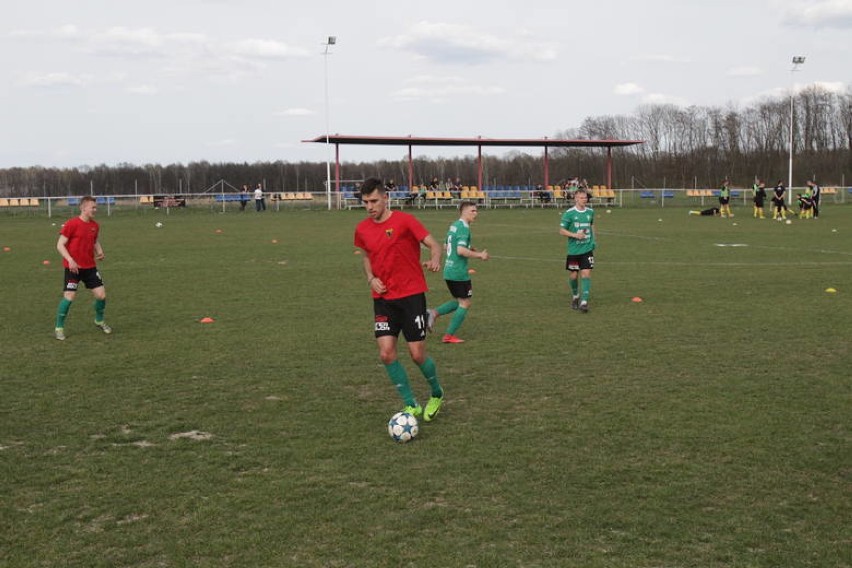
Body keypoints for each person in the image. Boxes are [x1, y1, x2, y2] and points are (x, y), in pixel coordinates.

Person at [353, 177, 445, 422]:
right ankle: (411, 404)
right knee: (386, 354)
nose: (370, 206)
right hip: (382, 298)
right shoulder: (362, 229)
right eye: (365, 202)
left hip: (411, 295)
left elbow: (434, 244)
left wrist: (435, 258)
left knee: (416, 354)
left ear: (385, 198)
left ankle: (437, 393)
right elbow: (366, 256)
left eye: (374, 201)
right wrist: (371, 278)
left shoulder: (405, 221)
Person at [428, 201, 489, 344]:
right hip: (458, 272)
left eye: (476, 211)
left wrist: (470, 247)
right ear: (464, 212)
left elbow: (446, 245)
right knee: (465, 303)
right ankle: (448, 336)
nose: (476, 213)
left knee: (459, 301)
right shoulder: (464, 228)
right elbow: (460, 250)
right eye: (473, 211)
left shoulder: (454, 225)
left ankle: (433, 313)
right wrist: (480, 255)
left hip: (449, 270)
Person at [54, 196, 111, 341]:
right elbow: (60, 245)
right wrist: (70, 260)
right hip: (73, 268)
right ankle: (59, 328)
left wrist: (100, 251)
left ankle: (99, 320)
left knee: (101, 296)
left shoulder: (95, 225)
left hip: (90, 267)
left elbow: (94, 240)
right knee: (69, 297)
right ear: (83, 208)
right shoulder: (71, 224)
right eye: (93, 207)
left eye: (96, 207)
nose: (95, 210)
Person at [559, 187, 595, 313]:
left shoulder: (590, 212)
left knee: (586, 273)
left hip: (587, 249)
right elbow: (561, 231)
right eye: (581, 197)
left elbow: (591, 226)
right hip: (574, 251)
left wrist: (593, 240)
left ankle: (584, 302)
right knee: (574, 276)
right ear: (576, 198)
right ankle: (575, 296)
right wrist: (575, 235)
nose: (584, 200)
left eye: (585, 197)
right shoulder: (569, 213)